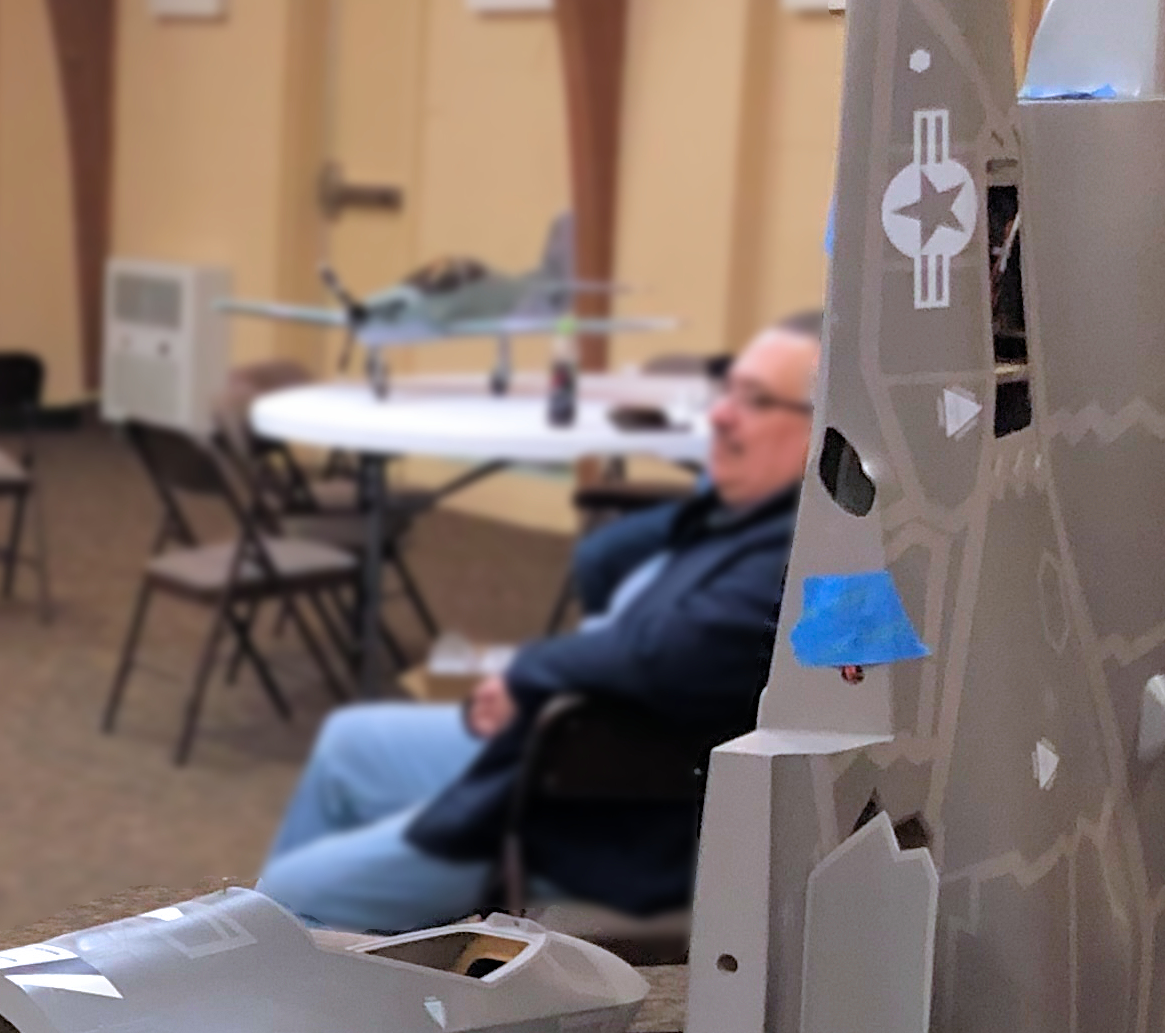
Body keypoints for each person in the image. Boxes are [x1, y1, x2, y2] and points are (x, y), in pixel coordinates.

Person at [258, 316, 818, 931]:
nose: (720, 416)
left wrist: (527, 677)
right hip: (570, 749)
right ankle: (340, 953)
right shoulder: (748, 520)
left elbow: (663, 654)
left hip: (606, 810)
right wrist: (719, 496)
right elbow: (604, 561)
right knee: (348, 744)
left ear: (819, 428)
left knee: (289, 895)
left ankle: (316, 954)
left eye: (754, 400)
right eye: (728, 392)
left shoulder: (793, 555)